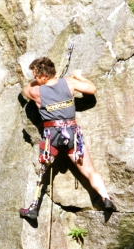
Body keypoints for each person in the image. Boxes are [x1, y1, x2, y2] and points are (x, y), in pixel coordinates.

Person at [19, 57, 116, 219]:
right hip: (72, 134)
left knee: (42, 173)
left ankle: (34, 208)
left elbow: (24, 90)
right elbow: (92, 89)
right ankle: (106, 197)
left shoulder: (36, 91)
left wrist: (37, 83)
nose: (34, 79)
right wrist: (78, 76)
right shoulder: (70, 83)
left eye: (35, 75)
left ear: (43, 76)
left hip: (52, 136)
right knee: (90, 171)